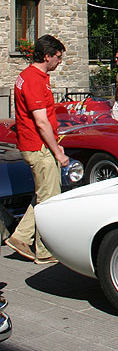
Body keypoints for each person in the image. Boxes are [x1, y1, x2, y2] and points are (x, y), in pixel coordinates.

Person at [5, 35, 69, 265]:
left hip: (34, 144)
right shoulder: (33, 79)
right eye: (58, 57)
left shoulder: (29, 77)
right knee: (49, 201)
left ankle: (21, 237)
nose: (59, 61)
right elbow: (40, 121)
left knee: (44, 194)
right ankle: (44, 250)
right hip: (38, 146)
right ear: (47, 55)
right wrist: (58, 152)